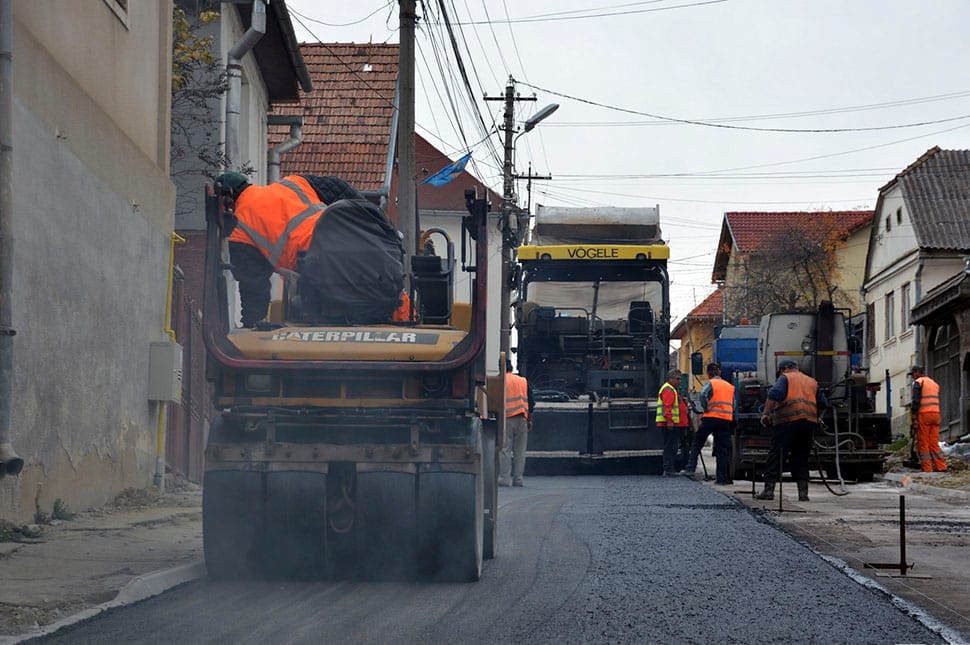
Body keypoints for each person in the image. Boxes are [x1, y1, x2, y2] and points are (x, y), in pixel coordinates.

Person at [215, 172, 366, 328]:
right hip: (354, 245)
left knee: (320, 314)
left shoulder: (240, 229)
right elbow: (338, 188)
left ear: (227, 198)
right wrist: (370, 219)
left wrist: (251, 324)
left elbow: (253, 285)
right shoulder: (293, 183)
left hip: (319, 268)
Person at [755, 360, 827, 502]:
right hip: (808, 424)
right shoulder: (811, 381)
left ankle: (769, 491)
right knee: (801, 457)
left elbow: (774, 394)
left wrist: (765, 414)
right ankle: (803, 494)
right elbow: (824, 404)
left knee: (776, 456)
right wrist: (818, 418)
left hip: (787, 423)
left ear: (785, 369)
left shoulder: (785, 378)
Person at [684, 363, 735, 484]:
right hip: (725, 419)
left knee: (697, 442)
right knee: (722, 450)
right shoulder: (730, 386)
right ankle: (722, 478)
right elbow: (734, 403)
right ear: (720, 372)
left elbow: (703, 394)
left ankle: (690, 468)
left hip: (711, 417)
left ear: (708, 374)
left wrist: (705, 407)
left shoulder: (711, 383)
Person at [500, 360, 534, 487]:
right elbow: (531, 403)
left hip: (506, 419)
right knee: (520, 450)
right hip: (522, 419)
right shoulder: (522, 381)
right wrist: (529, 420)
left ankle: (504, 479)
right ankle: (518, 479)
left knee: (505, 449)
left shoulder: (500, 381)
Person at [909, 366, 948, 473]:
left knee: (923, 442)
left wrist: (914, 417)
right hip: (936, 414)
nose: (912, 377)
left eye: (913, 374)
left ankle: (927, 468)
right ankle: (941, 466)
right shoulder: (933, 383)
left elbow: (916, 401)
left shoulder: (918, 382)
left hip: (924, 415)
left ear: (917, 373)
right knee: (933, 442)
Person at [656, 368, 689, 476]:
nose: (680, 381)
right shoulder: (668, 390)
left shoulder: (673, 389)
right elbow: (668, 407)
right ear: (670, 379)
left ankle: (670, 468)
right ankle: (668, 469)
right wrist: (670, 421)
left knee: (672, 446)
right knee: (670, 447)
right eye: (677, 379)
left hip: (674, 423)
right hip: (670, 424)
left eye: (680, 379)